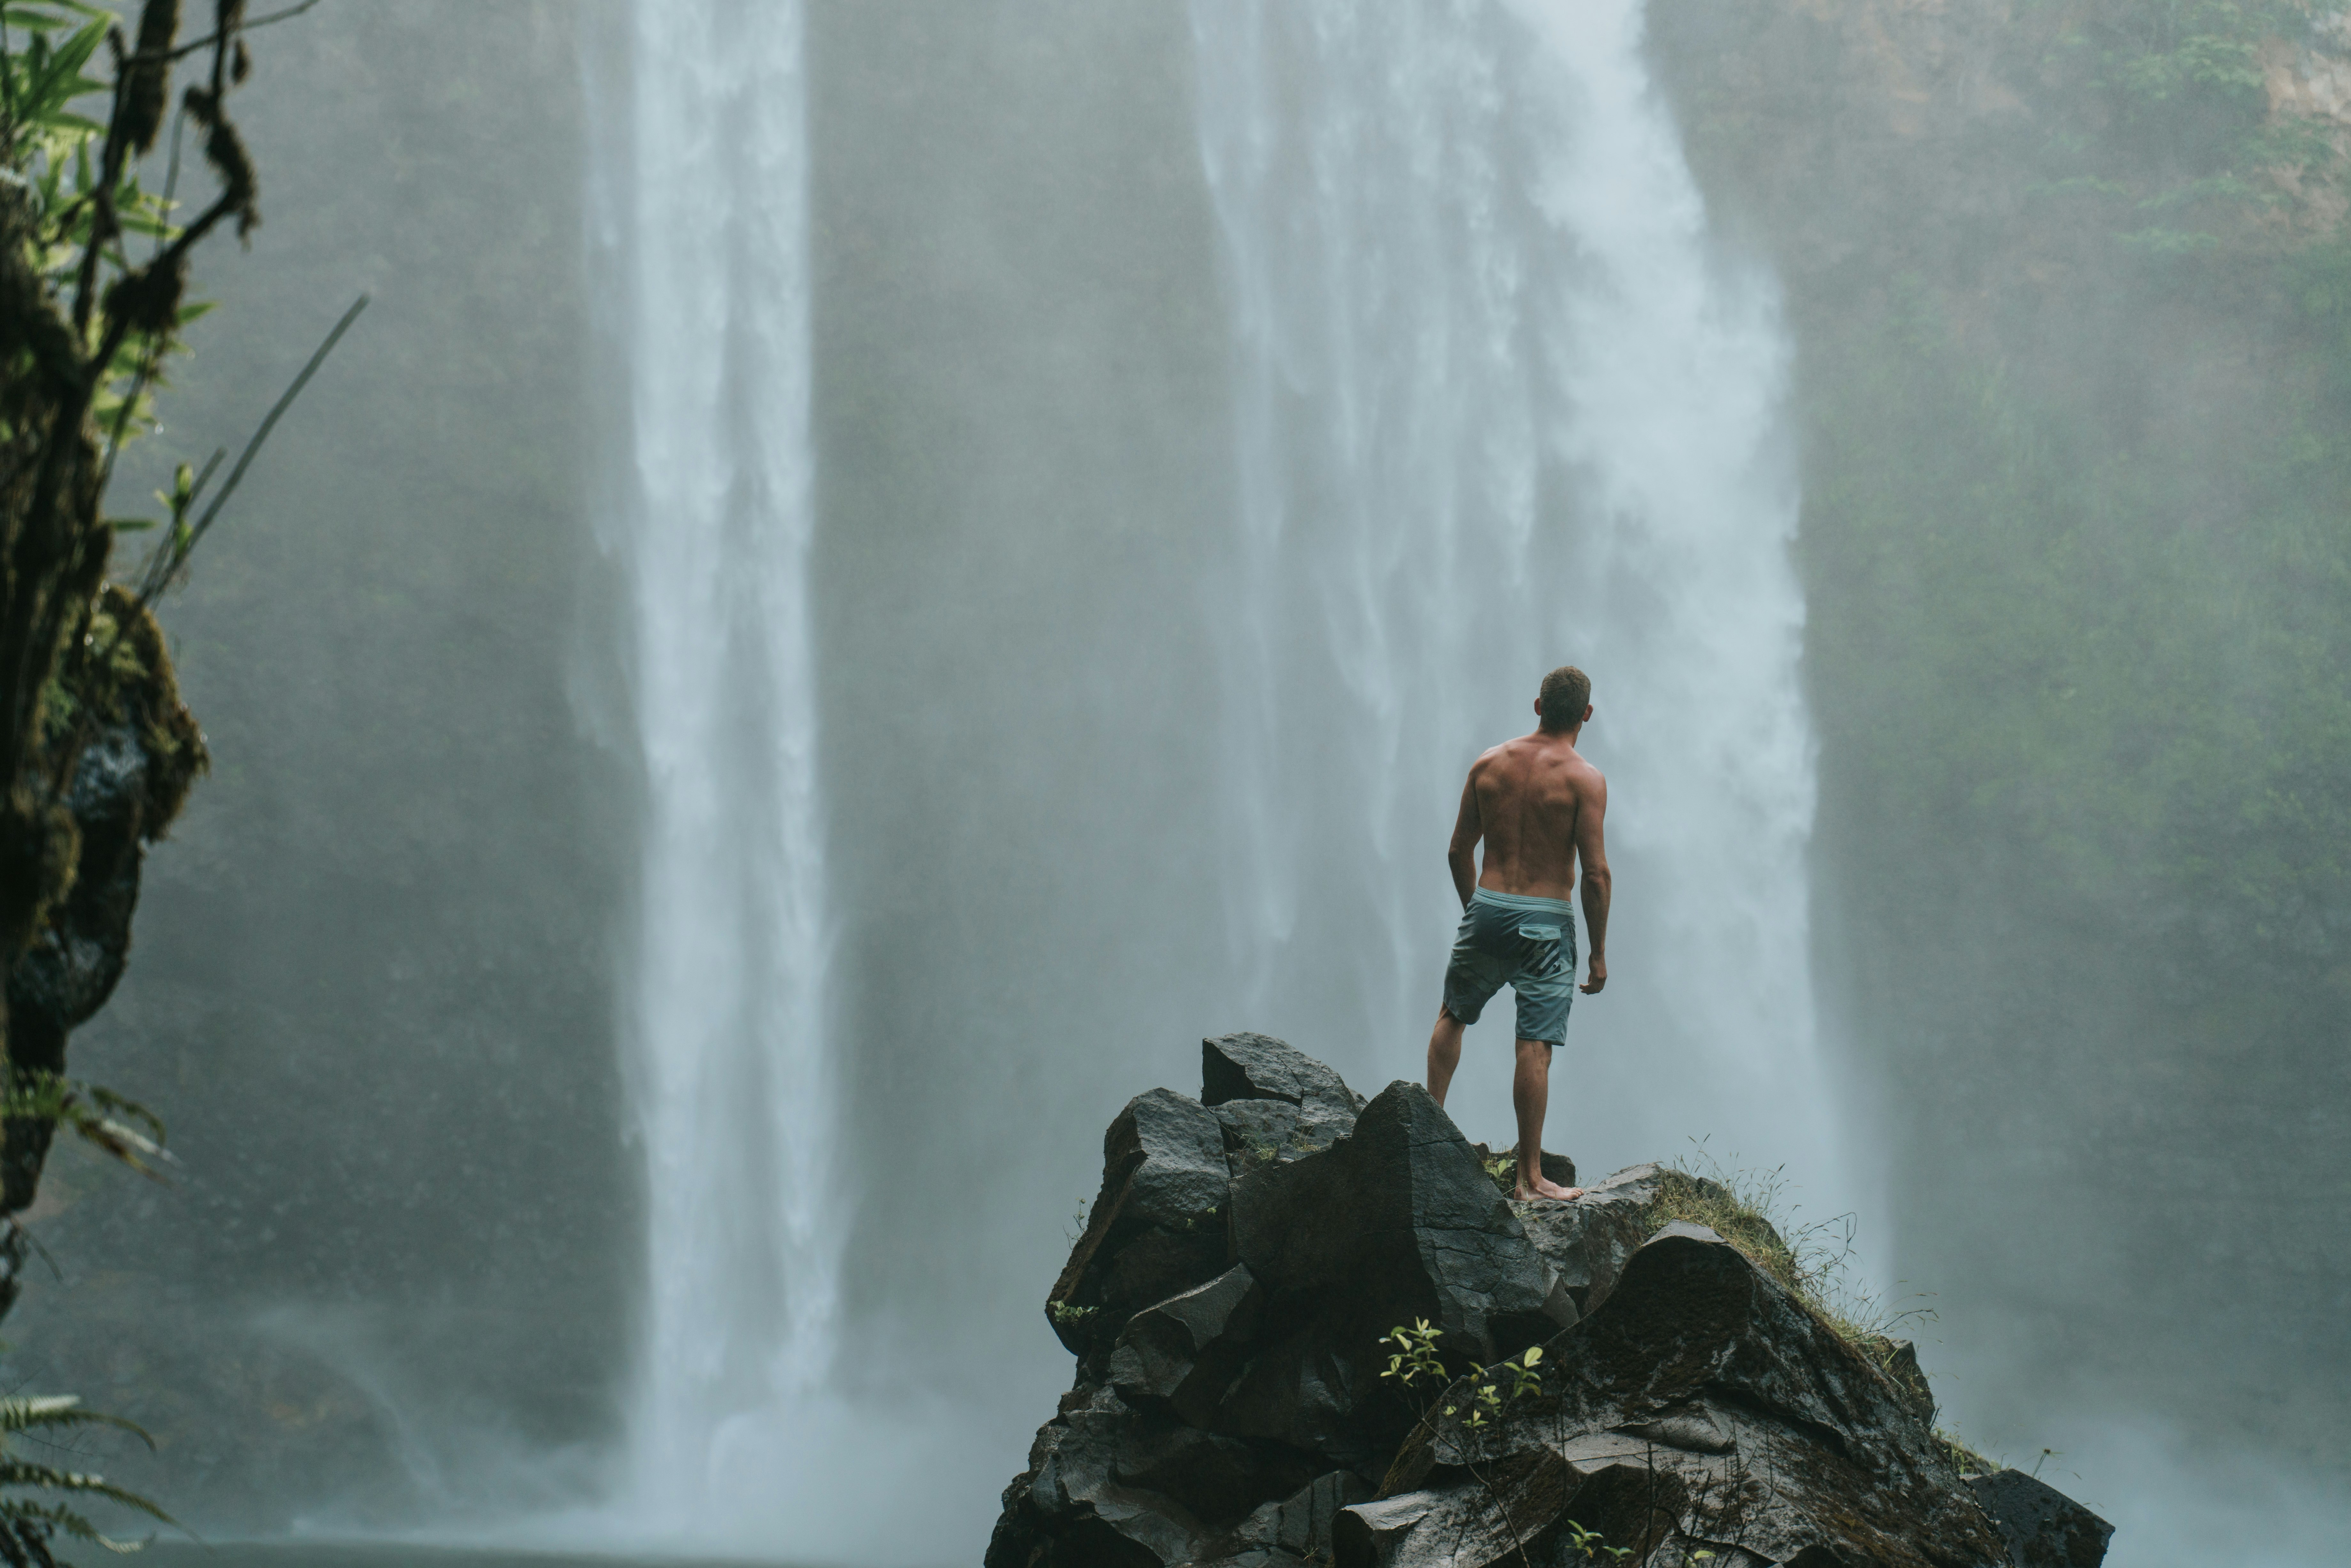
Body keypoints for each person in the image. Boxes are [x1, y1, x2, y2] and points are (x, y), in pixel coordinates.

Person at [1425, 664, 1611, 1202]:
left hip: (1486, 908)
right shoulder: (1585, 780)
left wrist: (1476, 913)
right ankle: (1530, 1179)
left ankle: (1424, 1133)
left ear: (1536, 706)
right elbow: (1596, 874)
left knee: (1452, 1016)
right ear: (1586, 714)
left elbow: (1459, 850)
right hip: (1546, 923)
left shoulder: (1489, 764)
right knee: (1533, 1047)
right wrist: (1598, 952)